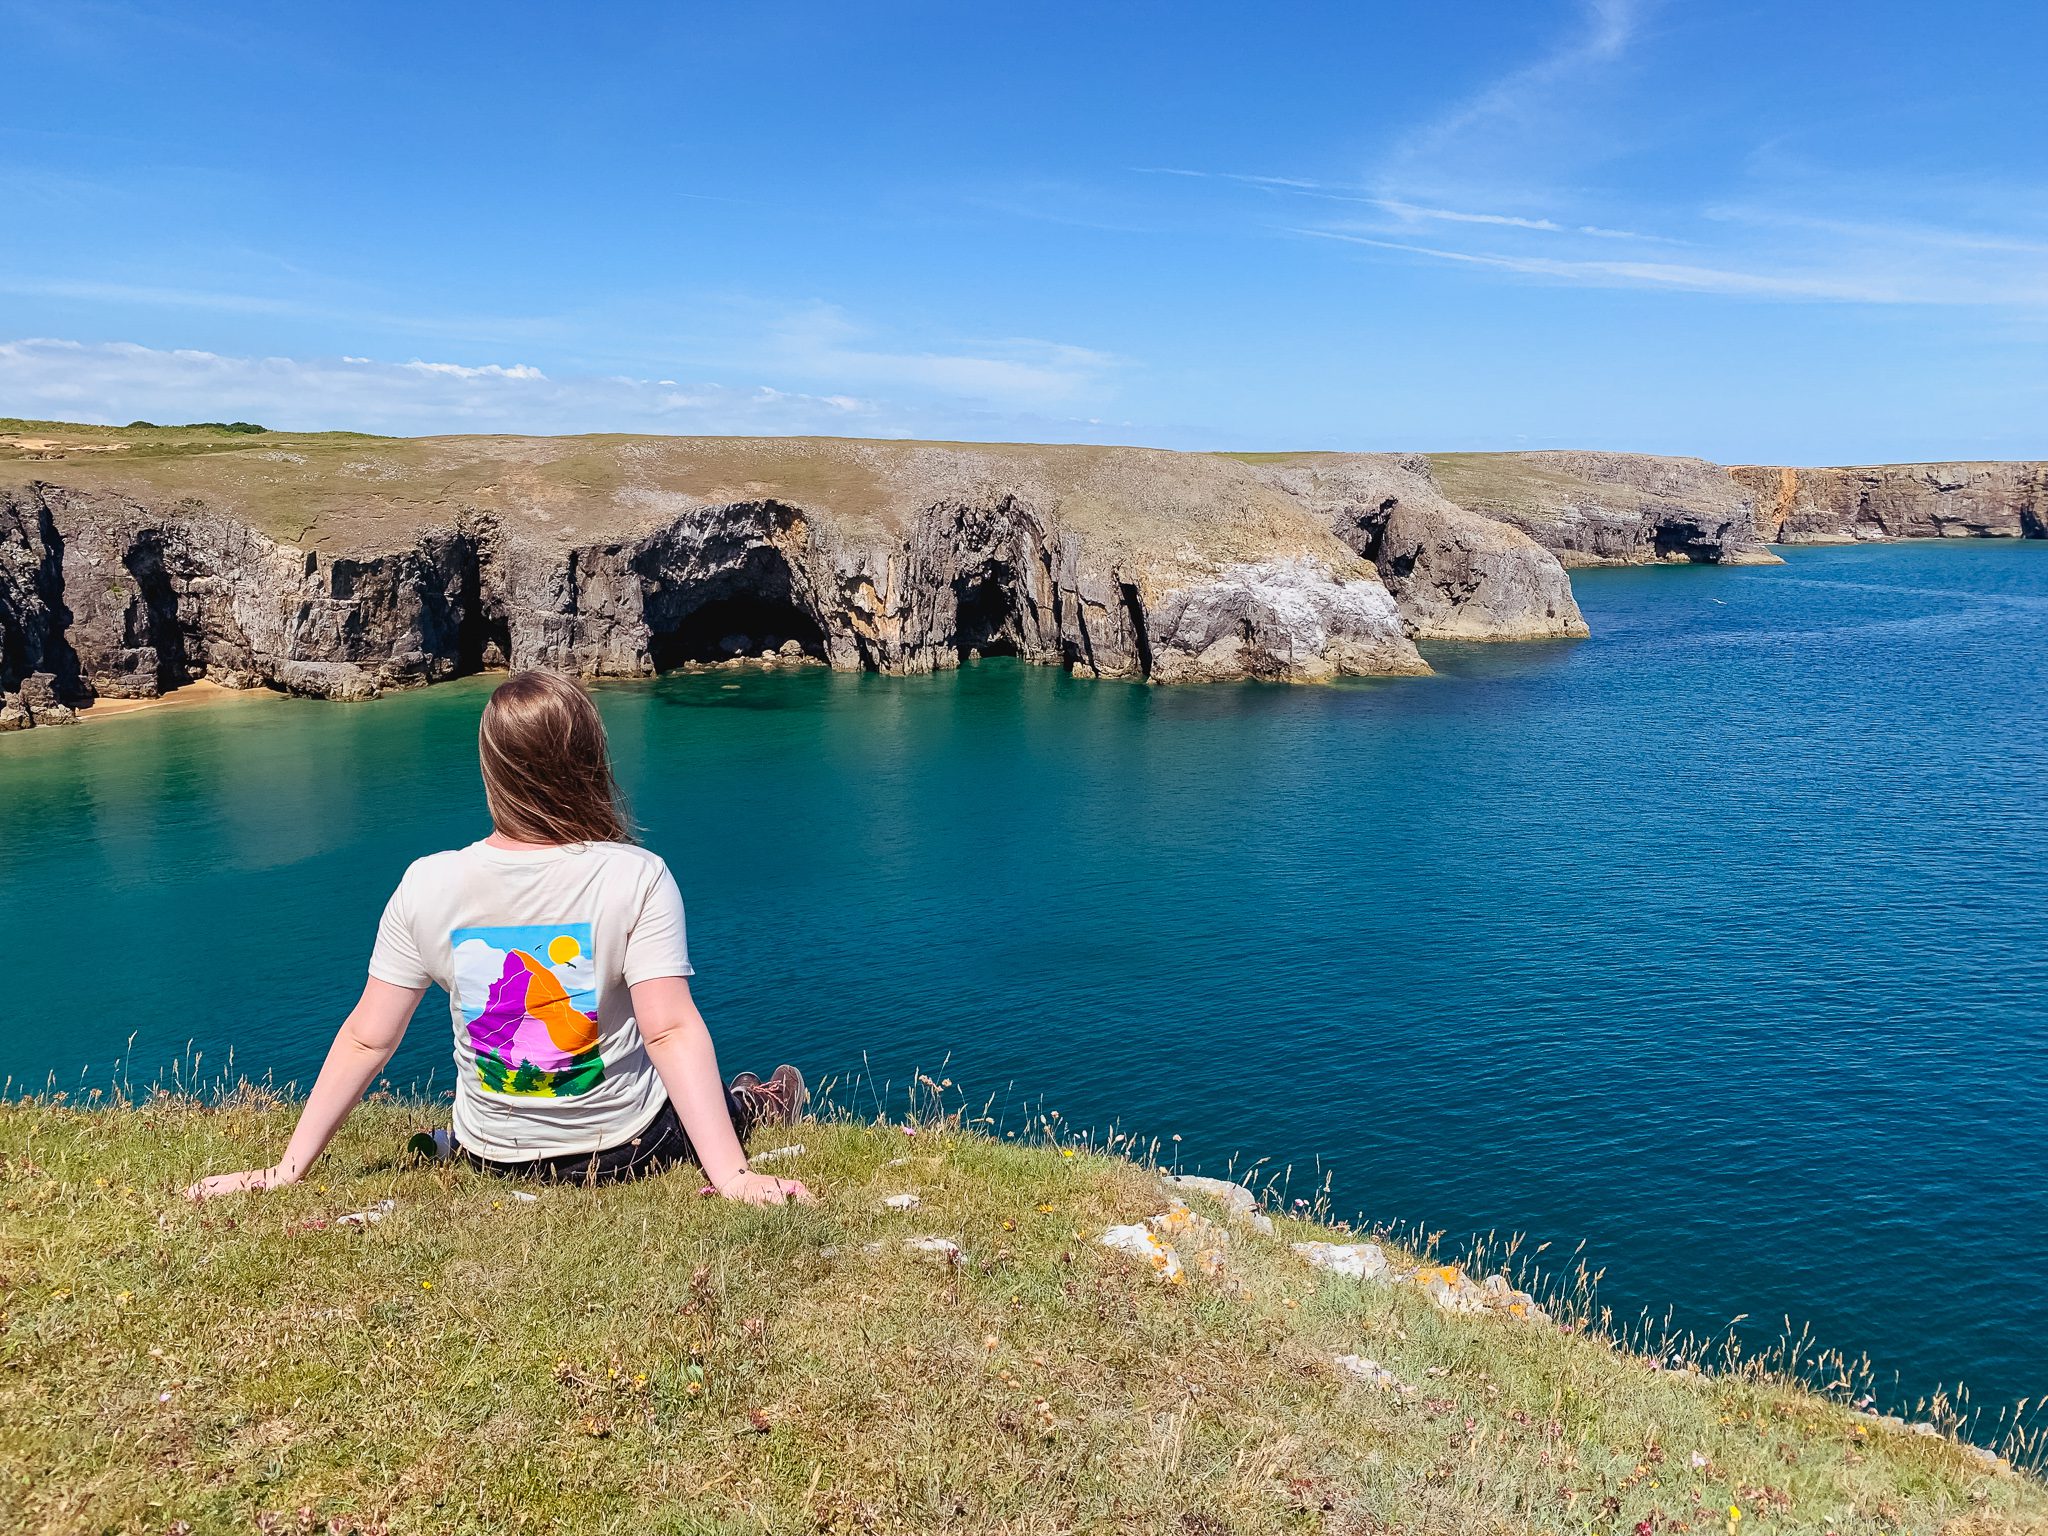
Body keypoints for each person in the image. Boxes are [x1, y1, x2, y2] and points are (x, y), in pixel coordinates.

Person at [185, 671, 815, 1206]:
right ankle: (754, 1105)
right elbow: (669, 1031)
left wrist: (285, 1171)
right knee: (704, 1103)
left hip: (491, 1157)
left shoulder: (427, 883)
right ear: (591, 761)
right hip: (624, 1150)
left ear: (490, 767)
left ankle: (452, 1136)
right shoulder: (636, 875)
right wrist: (733, 1177)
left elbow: (367, 1038)